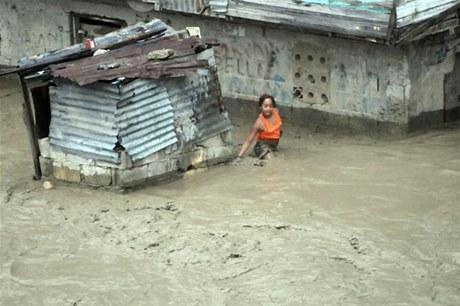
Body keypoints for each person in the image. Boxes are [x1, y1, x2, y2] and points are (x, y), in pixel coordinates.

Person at [237, 94, 283, 159]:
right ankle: (257, 151)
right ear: (261, 107)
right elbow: (249, 141)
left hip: (273, 145)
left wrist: (279, 133)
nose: (268, 109)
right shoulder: (259, 123)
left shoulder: (276, 111)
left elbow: (278, 127)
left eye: (270, 106)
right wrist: (239, 156)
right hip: (262, 146)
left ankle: (259, 152)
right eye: (265, 106)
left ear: (273, 107)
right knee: (272, 161)